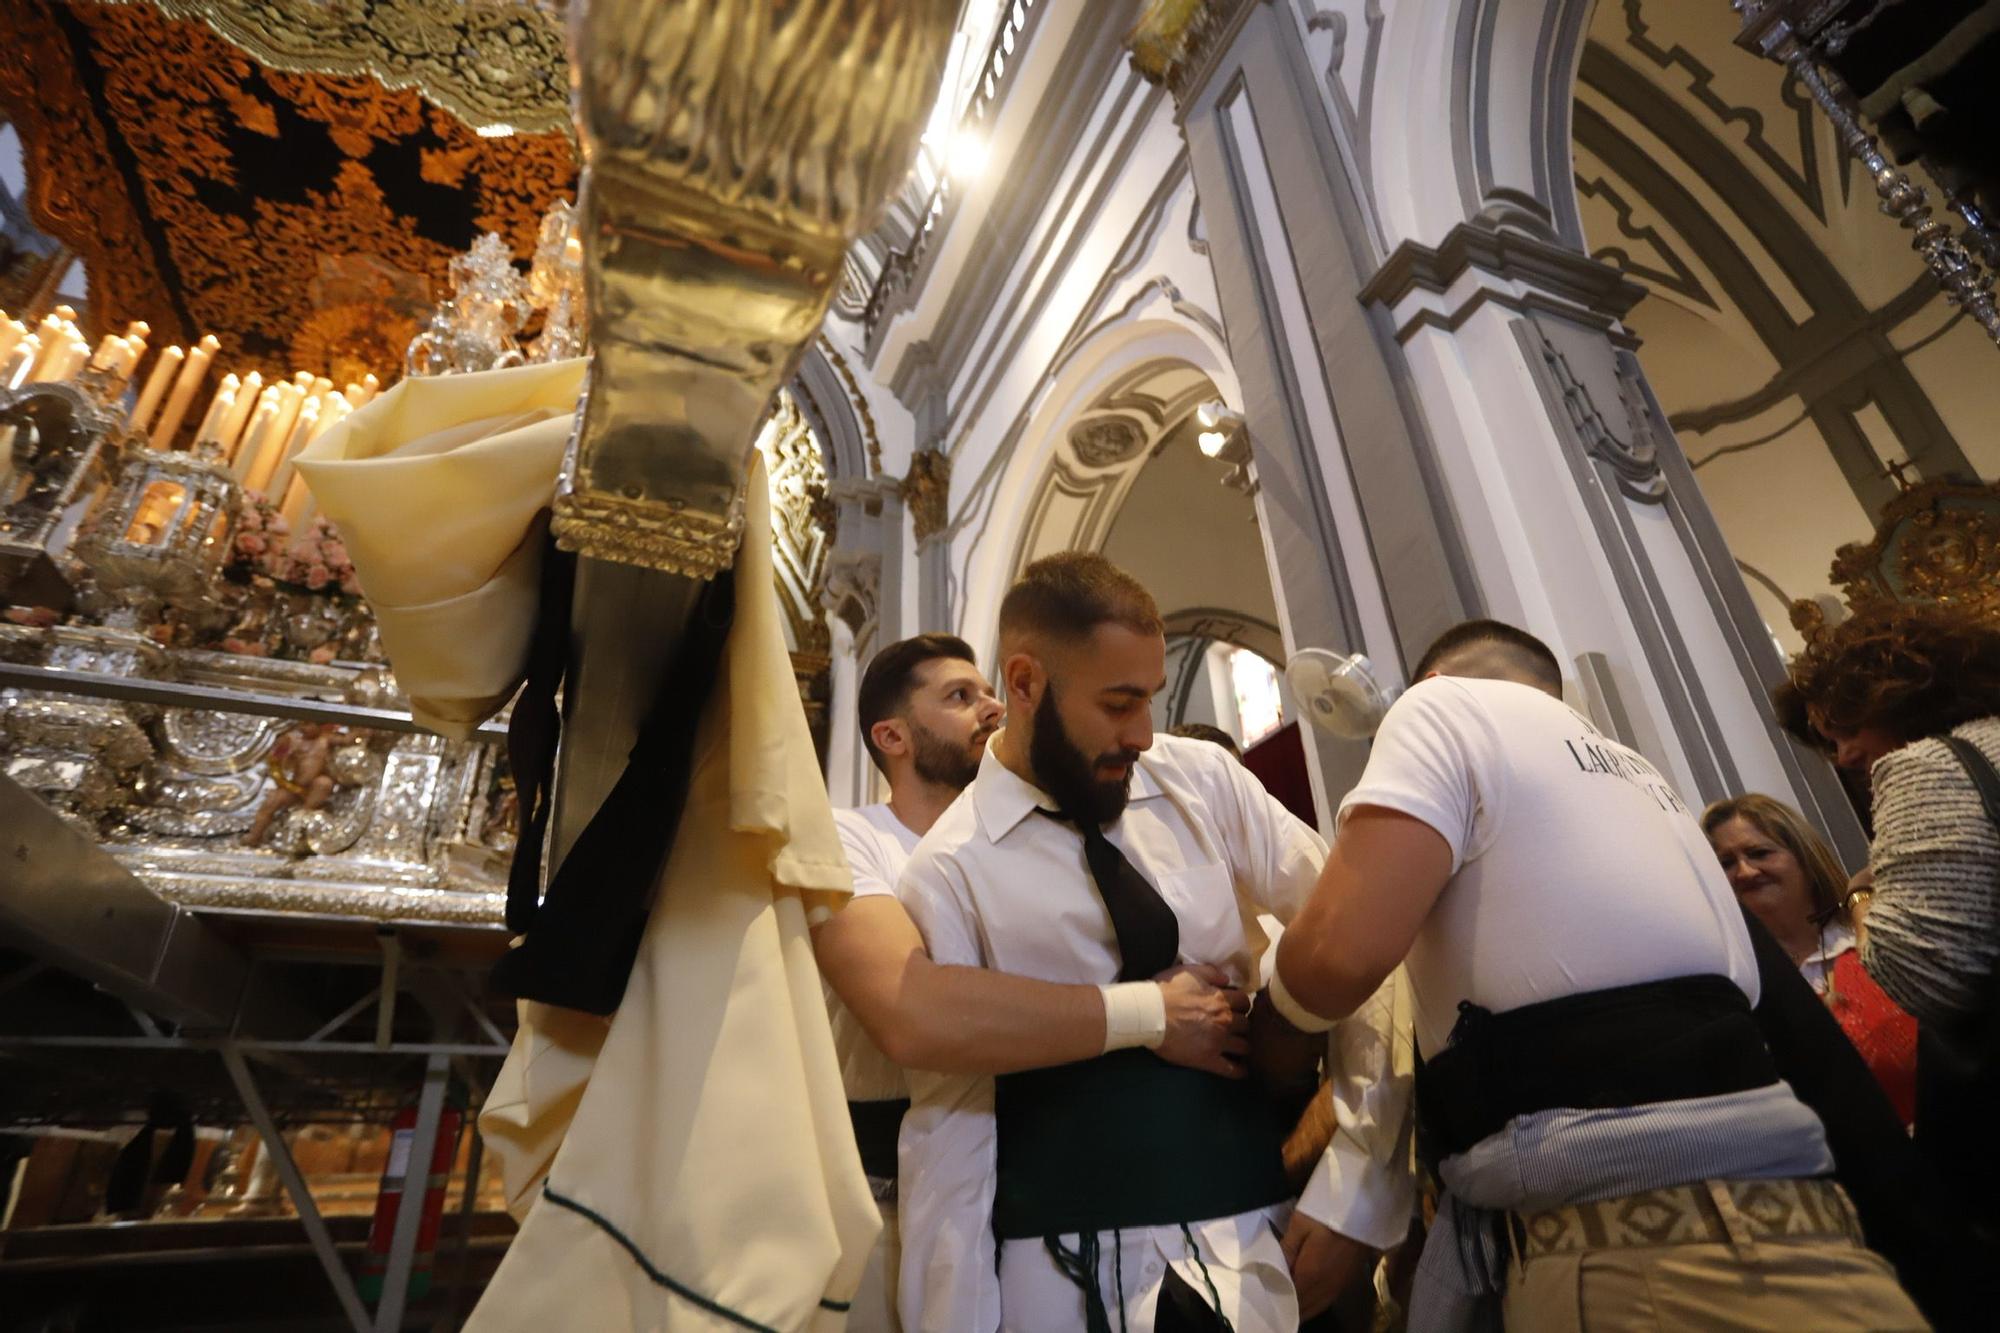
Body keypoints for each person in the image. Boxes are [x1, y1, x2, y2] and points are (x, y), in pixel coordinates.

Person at [1271, 619, 1924, 1331]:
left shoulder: (1439, 708)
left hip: (1644, 1257)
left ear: (1431, 685)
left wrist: (1261, 1016)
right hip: (1807, 1223)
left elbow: (1334, 961)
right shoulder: (1644, 781)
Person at [895, 552, 1411, 1333]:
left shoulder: (1199, 780)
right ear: (1026, 682)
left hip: (1259, 1249)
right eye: (1117, 703)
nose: (1141, 732)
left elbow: (1359, 939)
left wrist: (1359, 1187)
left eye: (1151, 700)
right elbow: (953, 1124)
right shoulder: (950, 867)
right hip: (1057, 1276)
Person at [815, 633, 1259, 1331]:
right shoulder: (850, 839)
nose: (991, 707)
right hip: (892, 1201)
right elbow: (918, 1011)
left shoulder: (1036, 835)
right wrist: (1154, 1010)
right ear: (891, 735)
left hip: (1030, 1178)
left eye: (988, 689)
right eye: (959, 696)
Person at [1778, 600, 2000, 1240]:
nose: (1843, 755)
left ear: (1897, 693)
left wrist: (1863, 898)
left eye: (1844, 726)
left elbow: (1919, 978)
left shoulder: (1928, 765)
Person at [1703, 794, 1917, 1126]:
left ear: (1804, 858)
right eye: (1726, 863)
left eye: (1759, 853)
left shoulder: (1873, 933)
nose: (1744, 871)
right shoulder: (1732, 984)